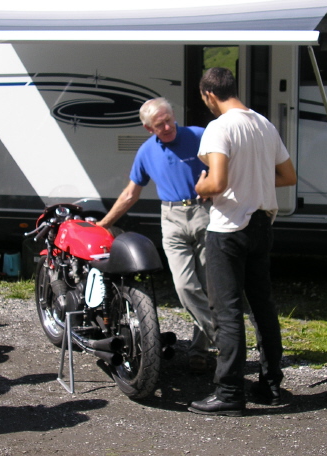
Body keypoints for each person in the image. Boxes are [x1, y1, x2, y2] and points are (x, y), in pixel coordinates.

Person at [188, 68, 297, 416]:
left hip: (229, 228)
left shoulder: (219, 127)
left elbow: (217, 182)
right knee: (262, 306)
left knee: (228, 310)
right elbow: (289, 176)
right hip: (263, 224)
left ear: (208, 94)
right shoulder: (264, 124)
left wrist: (201, 185)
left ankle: (230, 392)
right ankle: (271, 385)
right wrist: (255, 183)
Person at [97, 97, 216, 374]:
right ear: (148, 128)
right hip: (172, 218)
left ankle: (200, 350)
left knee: (208, 286)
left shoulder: (199, 136)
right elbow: (130, 193)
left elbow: (225, 167)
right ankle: (223, 336)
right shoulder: (146, 152)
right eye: (159, 124)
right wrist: (104, 224)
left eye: (169, 119)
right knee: (185, 286)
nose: (167, 126)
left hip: (205, 213)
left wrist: (214, 184)